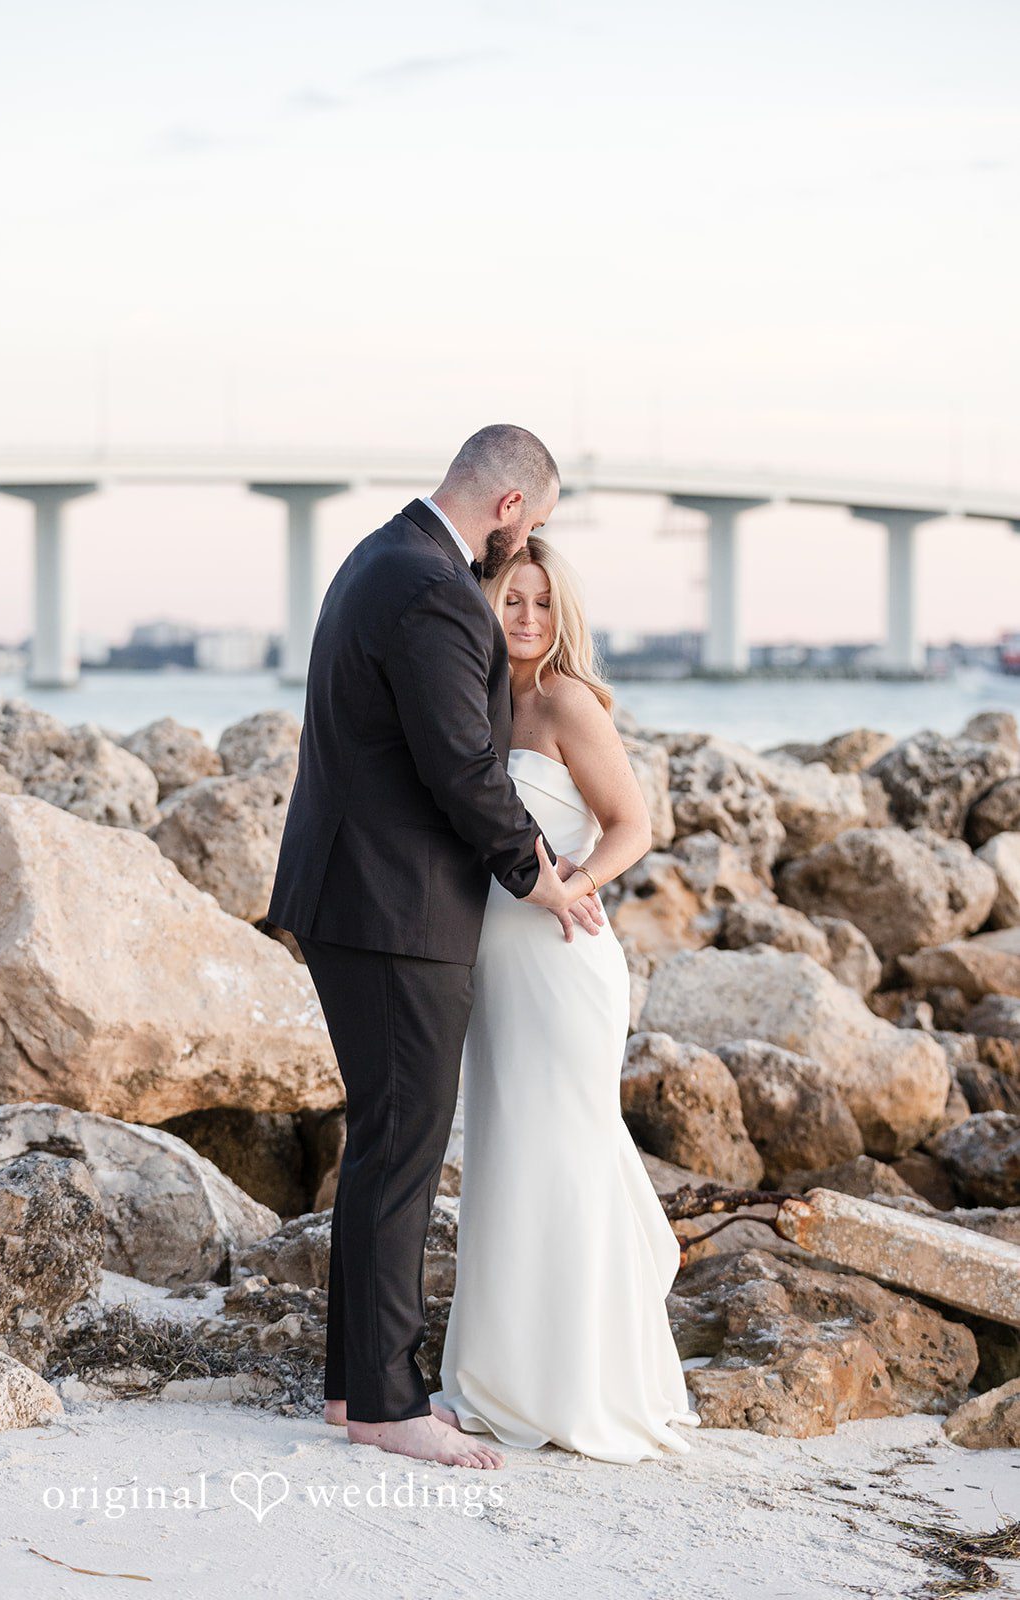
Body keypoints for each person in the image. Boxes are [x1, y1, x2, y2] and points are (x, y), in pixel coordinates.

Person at [266, 424, 604, 1470]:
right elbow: (462, 768)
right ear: (509, 507)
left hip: (357, 897)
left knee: (384, 1140)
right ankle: (386, 1401)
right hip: (393, 910)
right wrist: (539, 874)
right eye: (534, 524)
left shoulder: (381, 555)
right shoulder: (432, 589)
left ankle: (350, 1389)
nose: (528, 547)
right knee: (403, 1144)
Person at [430, 535, 701, 1463]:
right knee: (505, 1156)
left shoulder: (563, 700)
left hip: (558, 958)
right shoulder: (472, 702)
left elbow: (635, 824)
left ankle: (580, 1385)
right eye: (512, 598)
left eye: (543, 602)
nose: (528, 618)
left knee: (564, 1152)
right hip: (492, 967)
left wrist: (577, 879)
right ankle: (503, 1377)